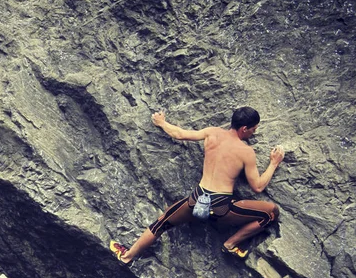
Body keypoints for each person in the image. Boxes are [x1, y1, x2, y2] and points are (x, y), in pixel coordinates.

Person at [110, 106, 285, 264]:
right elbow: (258, 186)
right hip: (220, 208)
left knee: (161, 223)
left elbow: (179, 134)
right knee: (271, 212)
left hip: (197, 200)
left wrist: (162, 122)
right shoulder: (246, 152)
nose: (254, 132)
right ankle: (231, 244)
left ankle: (127, 257)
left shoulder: (212, 133)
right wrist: (274, 163)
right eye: (253, 129)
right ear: (244, 129)